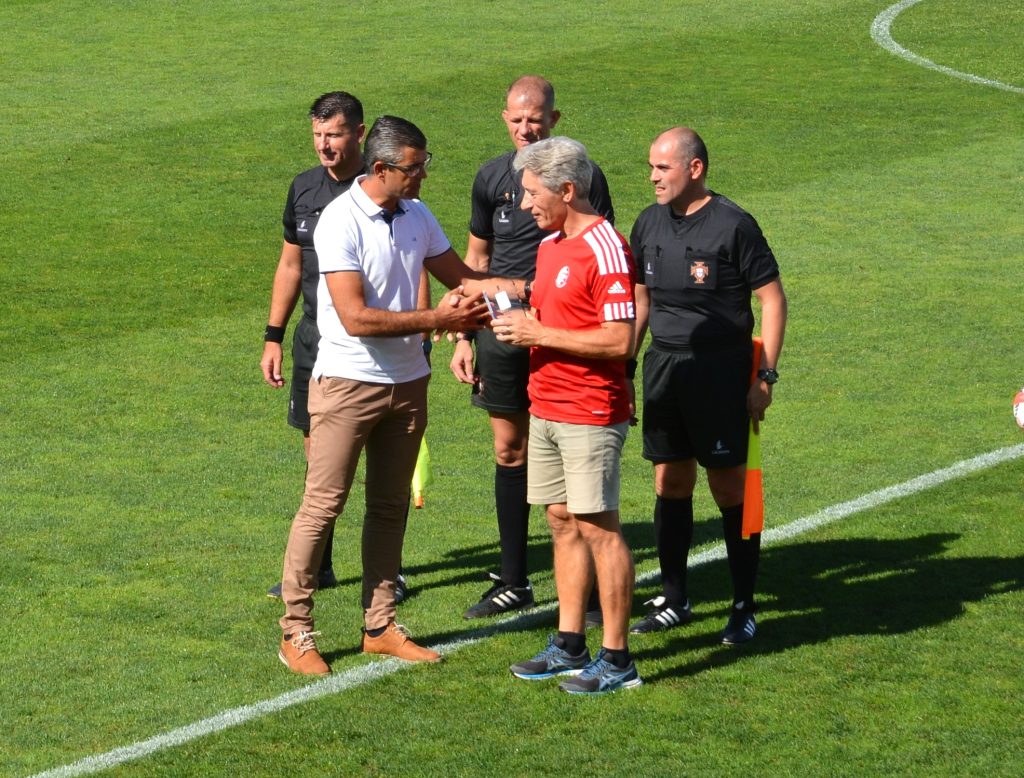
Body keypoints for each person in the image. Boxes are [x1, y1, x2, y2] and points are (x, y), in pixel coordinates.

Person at [277, 115, 527, 675]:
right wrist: (439, 316)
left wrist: (528, 288)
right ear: (383, 168)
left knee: (390, 509)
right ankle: (295, 630)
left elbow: (462, 276)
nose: (423, 177)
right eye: (415, 168)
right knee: (323, 507)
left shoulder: (416, 215)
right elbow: (356, 316)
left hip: (407, 383)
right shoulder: (339, 221)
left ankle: (380, 624)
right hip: (346, 383)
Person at [451, 75, 614, 621]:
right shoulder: (491, 177)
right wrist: (463, 334)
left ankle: (586, 590)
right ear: (505, 118)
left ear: (554, 119)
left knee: (570, 451)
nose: (526, 127)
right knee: (511, 451)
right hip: (499, 334)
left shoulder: (580, 177)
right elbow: (476, 260)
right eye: (517, 119)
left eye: (536, 119)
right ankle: (514, 580)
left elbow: (597, 253)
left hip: (560, 328)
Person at [627, 127, 788, 644]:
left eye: (662, 168)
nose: (653, 176)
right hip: (664, 370)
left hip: (720, 372)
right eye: (651, 167)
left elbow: (772, 300)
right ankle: (676, 598)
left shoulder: (734, 225)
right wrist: (625, 369)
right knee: (669, 483)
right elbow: (641, 303)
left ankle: (743, 605)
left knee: (728, 487)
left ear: (694, 169)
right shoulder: (648, 222)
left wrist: (765, 375)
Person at [259, 92, 419, 601]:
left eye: (333, 134)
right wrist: (273, 336)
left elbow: (415, 261)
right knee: (318, 459)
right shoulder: (303, 189)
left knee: (384, 477)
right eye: (317, 135)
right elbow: (290, 264)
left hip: (380, 346)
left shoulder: (385, 189)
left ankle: (387, 573)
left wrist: (419, 331)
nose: (324, 146)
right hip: (316, 340)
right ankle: (319, 568)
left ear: (358, 134)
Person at [495, 137, 641, 694]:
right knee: (560, 522)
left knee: (599, 529)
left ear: (567, 190)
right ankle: (570, 642)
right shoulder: (552, 245)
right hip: (547, 405)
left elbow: (620, 339)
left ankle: (618, 658)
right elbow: (555, 314)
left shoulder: (606, 247)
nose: (525, 203)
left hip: (589, 410)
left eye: (533, 193)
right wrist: (511, 319)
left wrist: (537, 332)